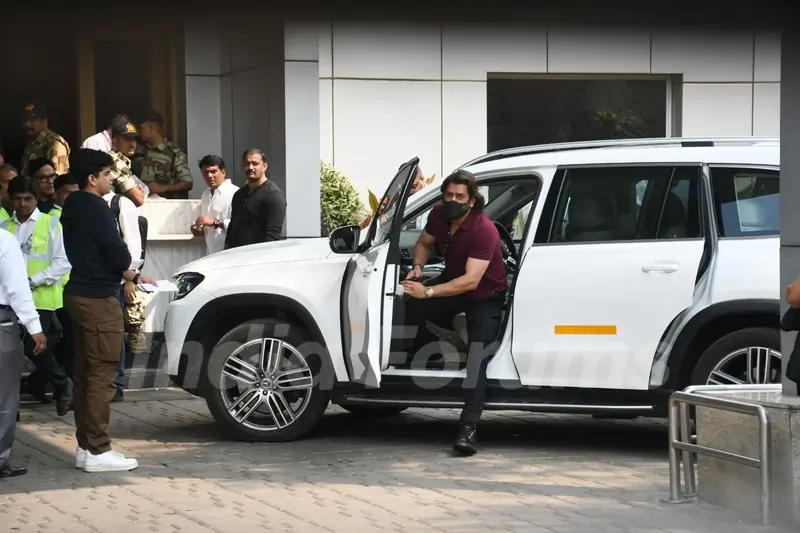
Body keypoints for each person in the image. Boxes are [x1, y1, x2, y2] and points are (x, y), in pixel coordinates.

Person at [400, 170, 508, 456]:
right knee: (409, 306)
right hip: (452, 285)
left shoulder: (484, 230)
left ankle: (468, 428)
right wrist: (419, 269)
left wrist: (430, 292)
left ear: (472, 200)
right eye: (448, 195)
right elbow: (423, 243)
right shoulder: (438, 214)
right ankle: (422, 358)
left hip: (483, 297)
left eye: (460, 196)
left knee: (477, 358)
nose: (453, 200)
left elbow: (471, 280)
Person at [60, 148, 155, 472]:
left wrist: (132, 275)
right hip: (99, 299)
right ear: (92, 178)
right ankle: (99, 450)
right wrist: (131, 269)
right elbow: (115, 253)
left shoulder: (71, 205)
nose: (111, 178)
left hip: (78, 293)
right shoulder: (97, 208)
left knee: (86, 374)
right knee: (103, 375)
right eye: (106, 174)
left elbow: (98, 253)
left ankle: (87, 447)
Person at [1, 176, 72, 416]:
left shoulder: (51, 223)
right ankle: (19, 401)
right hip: (11, 299)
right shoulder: (5, 228)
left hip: (41, 297)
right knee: (14, 350)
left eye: (28, 199)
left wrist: (34, 280)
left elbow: (63, 261)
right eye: (18, 199)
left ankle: (61, 384)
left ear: (36, 199)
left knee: (34, 346)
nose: (22, 204)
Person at [0, 227, 46, 478]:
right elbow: (17, 288)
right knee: (4, 398)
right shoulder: (4, 240)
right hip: (2, 324)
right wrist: (34, 327)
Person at [104, 186, 144, 400]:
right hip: (97, 280)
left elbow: (133, 244)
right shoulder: (86, 202)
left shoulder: (120, 203)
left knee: (115, 333)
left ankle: (116, 385)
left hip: (118, 280)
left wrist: (131, 278)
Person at [224, 149, 286, 249]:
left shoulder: (273, 195)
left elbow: (273, 235)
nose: (250, 167)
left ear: (264, 166)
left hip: (257, 258)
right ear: (242, 166)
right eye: (247, 163)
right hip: (235, 256)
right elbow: (232, 227)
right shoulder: (239, 195)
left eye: (255, 163)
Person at [132, 110, 193, 199]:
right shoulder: (138, 151)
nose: (138, 131)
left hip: (165, 205)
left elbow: (187, 183)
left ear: (151, 128)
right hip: (141, 202)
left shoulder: (173, 153)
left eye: (141, 128)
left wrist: (162, 188)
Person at [191, 155, 238, 255]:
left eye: (213, 171)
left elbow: (240, 225)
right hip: (211, 253)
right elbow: (208, 225)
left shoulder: (235, 193)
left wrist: (215, 222)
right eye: (206, 172)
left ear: (223, 172)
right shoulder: (205, 195)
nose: (209, 176)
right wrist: (199, 229)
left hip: (231, 253)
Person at [20, 102, 70, 176]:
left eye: (32, 121)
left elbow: (56, 177)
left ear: (44, 122)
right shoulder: (32, 142)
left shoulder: (54, 143)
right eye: (25, 120)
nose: (27, 124)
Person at [108, 118, 145, 207]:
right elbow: (138, 199)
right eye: (127, 139)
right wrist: (137, 190)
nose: (132, 144)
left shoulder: (123, 160)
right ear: (115, 141)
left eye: (134, 139)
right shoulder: (115, 160)